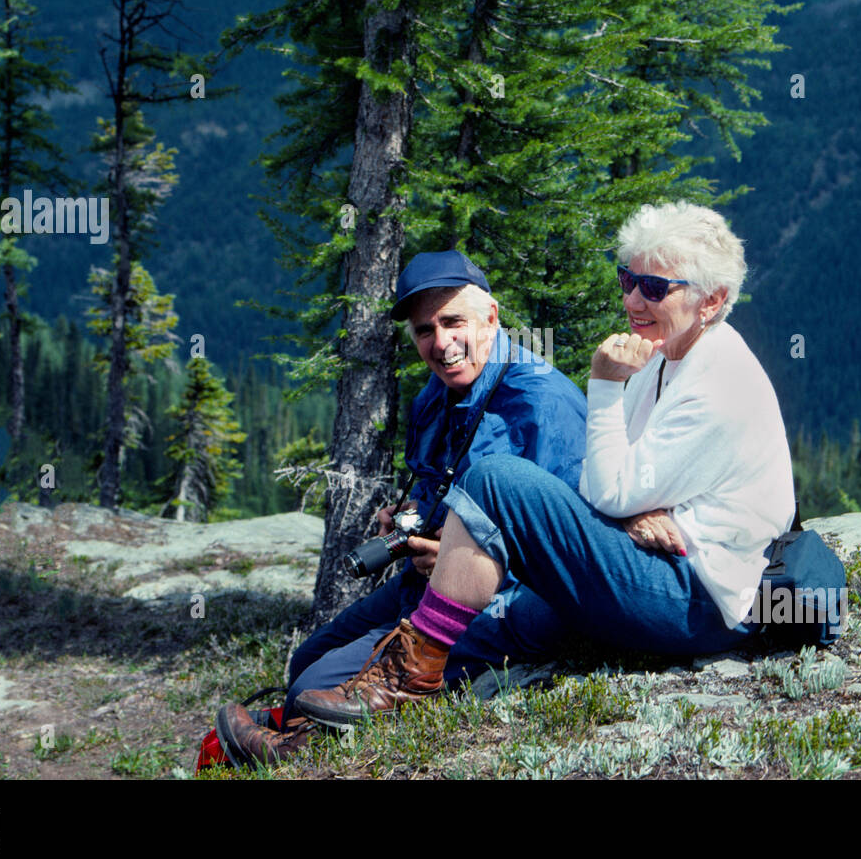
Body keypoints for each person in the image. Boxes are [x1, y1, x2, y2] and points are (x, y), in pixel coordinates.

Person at [293, 201, 797, 727]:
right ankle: (314, 727)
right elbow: (604, 479)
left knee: (494, 482)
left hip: (703, 598)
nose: (631, 299)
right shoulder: (667, 358)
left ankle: (403, 682)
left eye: (653, 287)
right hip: (662, 566)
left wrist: (603, 385)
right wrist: (630, 511)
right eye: (627, 279)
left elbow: (606, 490)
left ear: (711, 301)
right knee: (316, 666)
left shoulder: (716, 382)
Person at [212, 250, 588, 768]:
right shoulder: (435, 396)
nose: (440, 343)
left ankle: (296, 754)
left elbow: (564, 547)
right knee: (306, 662)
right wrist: (412, 518)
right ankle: (306, 732)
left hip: (499, 599)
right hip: (421, 583)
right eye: (424, 330)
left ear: (491, 317)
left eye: (453, 321)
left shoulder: (542, 403)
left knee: (316, 689)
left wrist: (463, 560)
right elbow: (437, 485)